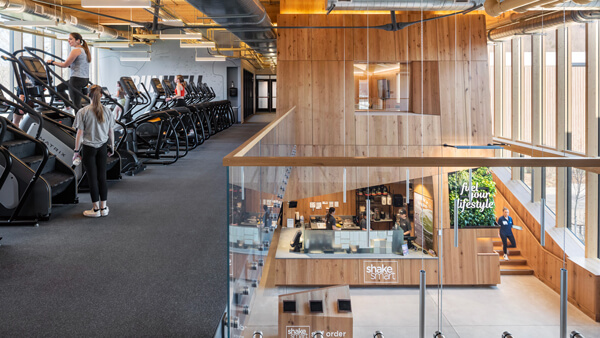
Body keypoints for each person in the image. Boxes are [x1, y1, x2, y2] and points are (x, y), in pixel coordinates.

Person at [73, 85, 115, 218]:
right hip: (102, 147)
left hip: (89, 148)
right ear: (101, 95)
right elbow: (110, 131)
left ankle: (95, 209)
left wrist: (76, 151)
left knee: (92, 178)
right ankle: (104, 207)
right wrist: (112, 146)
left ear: (88, 96)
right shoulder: (108, 111)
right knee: (102, 177)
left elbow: (79, 134)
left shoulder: (82, 112)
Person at [47, 32, 91, 111]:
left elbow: (64, 65)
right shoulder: (84, 50)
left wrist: (52, 62)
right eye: (68, 39)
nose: (68, 41)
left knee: (76, 106)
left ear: (78, 40)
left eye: (71, 39)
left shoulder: (76, 51)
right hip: (84, 80)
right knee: (59, 88)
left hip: (76, 79)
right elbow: (78, 64)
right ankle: (68, 107)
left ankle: (77, 120)